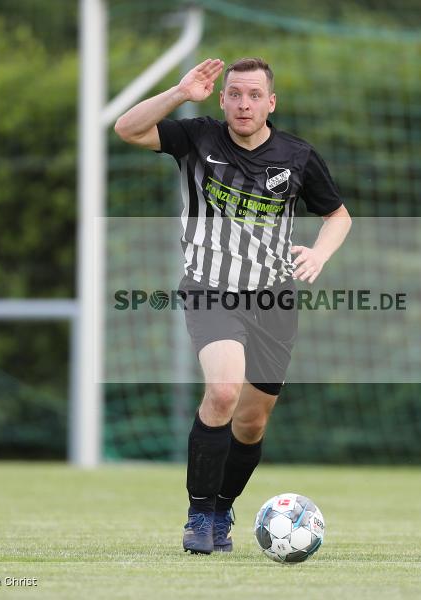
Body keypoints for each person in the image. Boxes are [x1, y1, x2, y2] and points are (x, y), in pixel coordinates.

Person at [114, 58, 351, 552]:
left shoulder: (297, 156)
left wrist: (319, 254)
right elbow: (127, 129)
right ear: (221, 99)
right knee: (223, 392)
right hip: (210, 289)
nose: (244, 104)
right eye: (235, 94)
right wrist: (179, 93)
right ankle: (199, 515)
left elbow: (338, 216)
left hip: (274, 299)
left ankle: (222, 508)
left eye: (254, 95)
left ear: (271, 103)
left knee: (251, 420)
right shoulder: (197, 137)